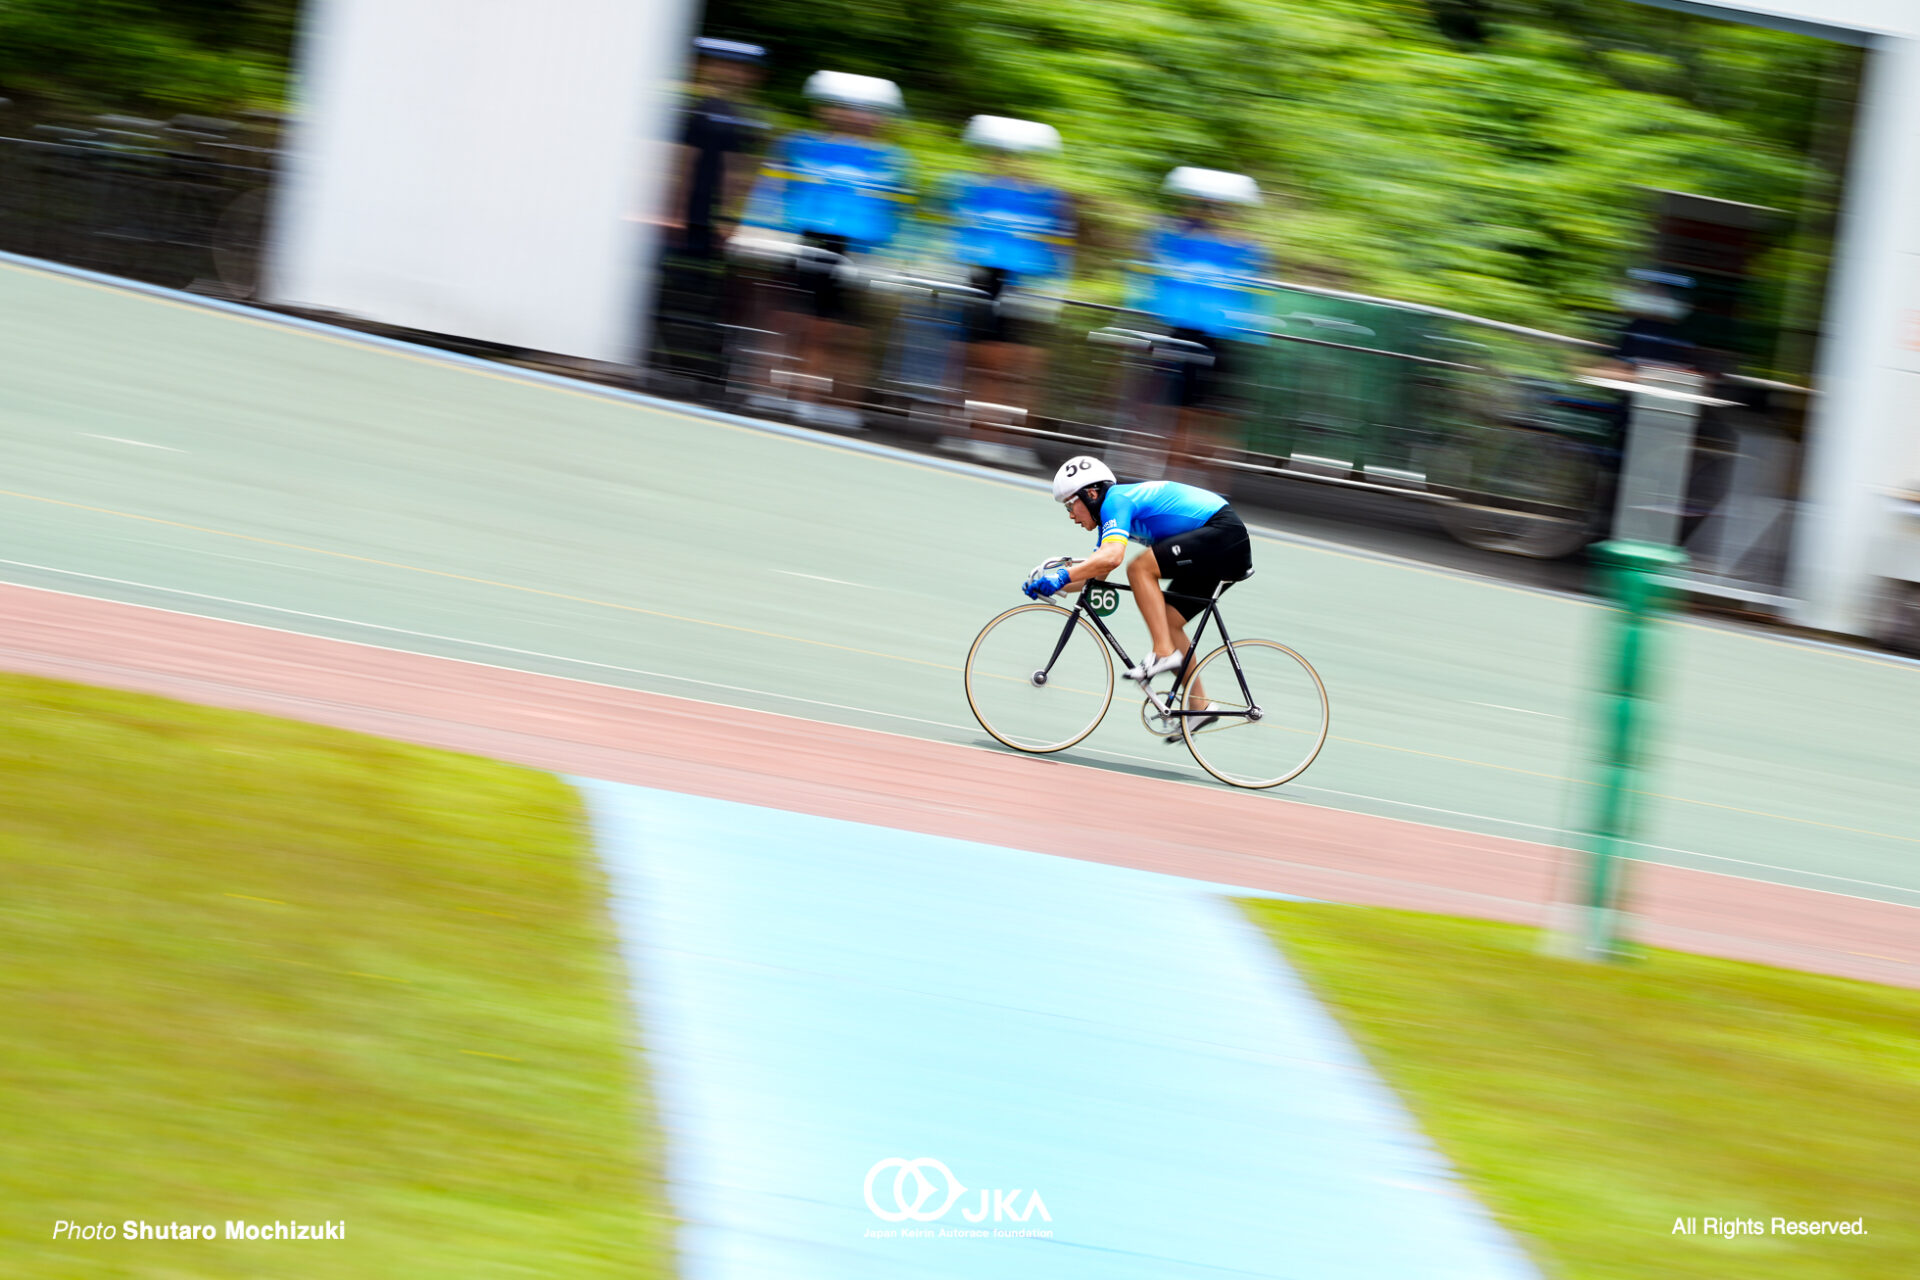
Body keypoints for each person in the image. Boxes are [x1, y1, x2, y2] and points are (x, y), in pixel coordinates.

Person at [1025, 455, 1252, 737]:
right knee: (1168, 621)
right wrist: (1053, 585)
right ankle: (1200, 706)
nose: (1071, 514)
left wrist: (1062, 575)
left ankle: (1162, 654)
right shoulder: (1111, 518)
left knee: (1139, 568)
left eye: (1072, 505)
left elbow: (1113, 558)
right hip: (1219, 543)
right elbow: (1097, 573)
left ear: (1092, 494)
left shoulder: (1115, 502)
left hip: (1223, 533)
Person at [744, 70, 913, 428]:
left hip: (856, 249)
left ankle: (816, 399)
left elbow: (897, 213)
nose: (858, 117)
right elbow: (769, 192)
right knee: (786, 321)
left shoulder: (892, 160)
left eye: (868, 111)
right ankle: (770, 389)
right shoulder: (798, 144)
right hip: (803, 238)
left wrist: (890, 257)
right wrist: (760, 229)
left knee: (832, 330)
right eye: (846, 108)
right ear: (827, 110)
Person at [936, 115, 1075, 467]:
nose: (1009, 162)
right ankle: (969, 430)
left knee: (1018, 368)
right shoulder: (968, 186)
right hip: (980, 278)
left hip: (1025, 283)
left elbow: (1060, 247)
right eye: (1000, 154)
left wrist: (1051, 288)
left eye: (1016, 156)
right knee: (973, 360)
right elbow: (954, 232)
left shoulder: (1050, 198)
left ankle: (1014, 439)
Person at [1127, 167, 1268, 488]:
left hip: (1224, 335)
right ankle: (1173, 481)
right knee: (1181, 412)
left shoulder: (1245, 247)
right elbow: (1150, 265)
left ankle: (1211, 485)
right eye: (1203, 206)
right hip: (1181, 329)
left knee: (1216, 414)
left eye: (1216, 208)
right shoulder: (1170, 237)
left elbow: (1252, 289)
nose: (1209, 214)